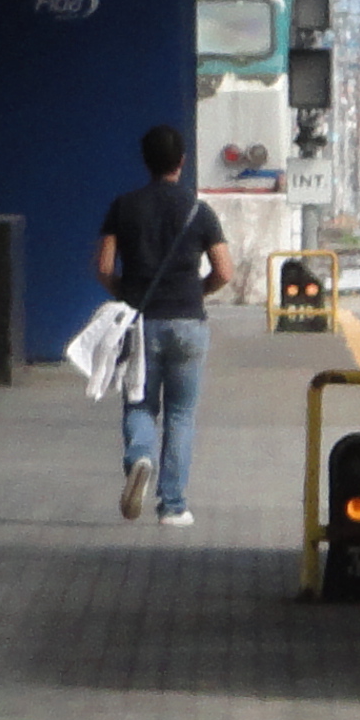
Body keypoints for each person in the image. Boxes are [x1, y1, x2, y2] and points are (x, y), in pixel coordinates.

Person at [98, 124, 233, 525]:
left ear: (146, 161)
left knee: (139, 403)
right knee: (181, 414)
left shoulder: (123, 206)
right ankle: (173, 506)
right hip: (188, 322)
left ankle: (140, 456)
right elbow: (224, 271)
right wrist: (197, 292)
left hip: (140, 323)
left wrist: (127, 294)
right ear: (182, 161)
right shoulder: (199, 210)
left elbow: (104, 267)